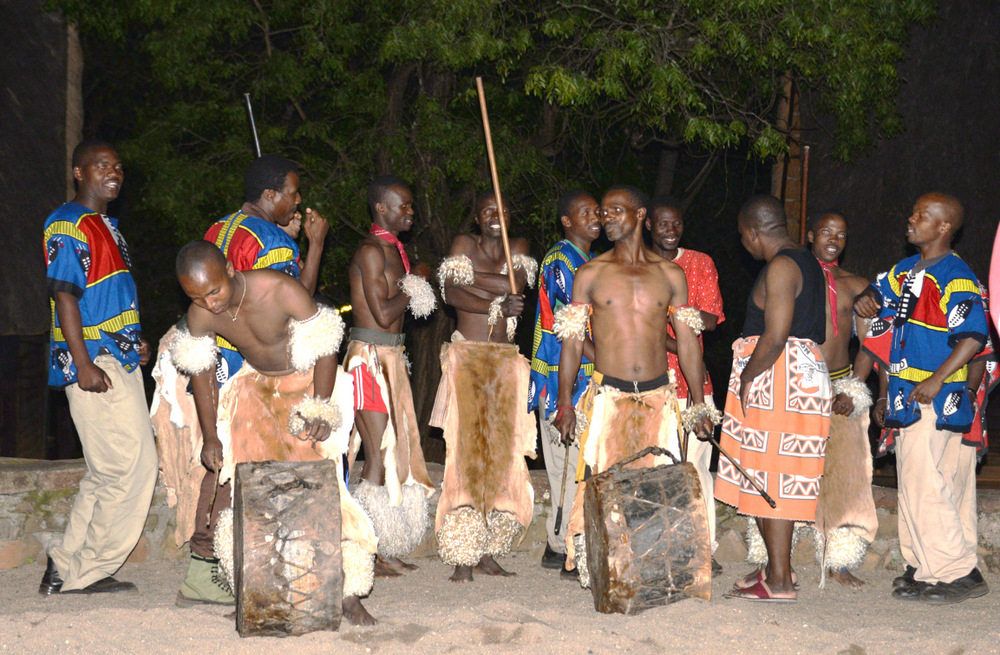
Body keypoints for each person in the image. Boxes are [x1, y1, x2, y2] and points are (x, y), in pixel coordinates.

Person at [169, 241, 378, 625]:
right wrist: (211, 436)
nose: (210, 303)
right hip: (256, 391)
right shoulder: (201, 313)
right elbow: (200, 371)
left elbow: (327, 345)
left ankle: (348, 592)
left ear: (230, 269)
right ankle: (263, 588)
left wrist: (319, 407)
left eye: (214, 291)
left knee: (325, 486)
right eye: (196, 296)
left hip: (311, 384)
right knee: (252, 491)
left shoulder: (278, 289)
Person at [156, 155, 331, 607]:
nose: (297, 200)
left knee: (233, 469)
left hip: (239, 366)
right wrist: (311, 245)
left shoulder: (219, 230)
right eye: (293, 191)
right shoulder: (272, 242)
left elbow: (311, 325)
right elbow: (299, 301)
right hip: (242, 371)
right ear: (270, 195)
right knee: (236, 466)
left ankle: (219, 570)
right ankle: (225, 569)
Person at [553, 186, 718, 585]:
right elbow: (573, 343)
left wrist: (698, 406)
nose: (606, 218)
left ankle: (646, 571)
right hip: (608, 396)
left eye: (615, 211)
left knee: (656, 488)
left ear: (640, 214)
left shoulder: (670, 275)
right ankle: (604, 572)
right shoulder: (591, 273)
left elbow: (690, 348)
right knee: (603, 485)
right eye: (603, 212)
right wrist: (565, 403)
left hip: (661, 397)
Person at [854, 193, 989, 605]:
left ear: (945, 227)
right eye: (912, 212)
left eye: (921, 215)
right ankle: (924, 566)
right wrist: (863, 304)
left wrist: (936, 380)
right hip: (905, 396)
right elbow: (879, 338)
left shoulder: (956, 275)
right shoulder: (900, 273)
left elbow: (973, 338)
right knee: (934, 483)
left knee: (923, 482)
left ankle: (957, 572)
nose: (910, 219)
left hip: (936, 396)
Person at [40, 140, 157, 595]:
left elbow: (104, 301)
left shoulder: (106, 226)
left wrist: (136, 344)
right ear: (78, 172)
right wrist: (84, 364)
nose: (114, 172)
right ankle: (88, 571)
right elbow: (64, 295)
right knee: (136, 466)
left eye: (118, 166)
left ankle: (65, 564)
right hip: (94, 361)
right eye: (101, 165)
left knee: (107, 471)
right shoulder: (68, 222)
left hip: (115, 356)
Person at [715, 195, 831, 603]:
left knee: (771, 473)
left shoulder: (781, 266)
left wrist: (748, 377)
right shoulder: (809, 264)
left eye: (743, 238)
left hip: (774, 374)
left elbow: (777, 334)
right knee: (772, 471)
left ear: (752, 232)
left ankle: (779, 580)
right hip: (800, 373)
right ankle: (776, 567)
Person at [432, 190, 537, 582]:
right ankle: (463, 552)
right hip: (469, 358)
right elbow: (451, 293)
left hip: (507, 362)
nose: (497, 216)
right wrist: (496, 298)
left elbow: (519, 284)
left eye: (504, 210)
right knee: (466, 450)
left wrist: (475, 281)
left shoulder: (520, 247)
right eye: (488, 211)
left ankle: (488, 551)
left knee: (503, 452)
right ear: (476, 217)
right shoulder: (464, 244)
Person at [344, 175, 436, 576]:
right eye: (403, 205)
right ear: (381, 208)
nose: (410, 212)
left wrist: (411, 277)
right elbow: (383, 313)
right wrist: (416, 283)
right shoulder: (370, 252)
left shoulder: (393, 251)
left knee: (393, 451)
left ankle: (381, 544)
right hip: (368, 359)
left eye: (412, 205)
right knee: (377, 451)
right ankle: (367, 548)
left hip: (392, 358)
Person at [792, 212, 876, 589]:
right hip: (796, 386)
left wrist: (853, 389)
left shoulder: (858, 286)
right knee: (786, 470)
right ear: (810, 234)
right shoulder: (790, 275)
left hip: (841, 387)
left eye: (841, 234)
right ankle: (773, 558)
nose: (833, 238)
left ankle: (839, 560)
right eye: (826, 231)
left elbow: (870, 345)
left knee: (845, 475)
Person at [645, 195, 726, 574]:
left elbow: (710, 320)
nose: (671, 230)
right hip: (651, 381)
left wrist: (676, 320)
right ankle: (664, 548)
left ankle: (702, 548)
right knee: (657, 468)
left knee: (696, 468)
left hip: (695, 383)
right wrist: (679, 338)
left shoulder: (699, 263)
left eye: (676, 224)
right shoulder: (639, 267)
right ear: (648, 225)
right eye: (663, 224)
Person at [529, 190, 600, 576]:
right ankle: (562, 546)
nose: (596, 217)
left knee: (578, 464)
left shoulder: (586, 261)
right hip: (561, 377)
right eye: (585, 212)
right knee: (566, 465)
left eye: (597, 212)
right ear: (566, 221)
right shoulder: (560, 259)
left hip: (579, 374)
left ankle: (562, 543)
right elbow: (564, 323)